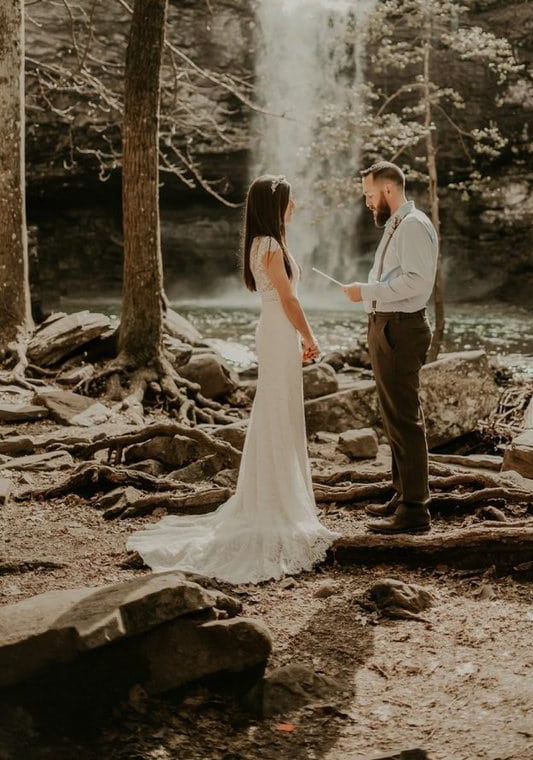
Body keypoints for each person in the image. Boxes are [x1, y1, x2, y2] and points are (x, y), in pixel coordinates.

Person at [127, 174, 340, 583]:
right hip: (280, 332)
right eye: (290, 202)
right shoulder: (273, 246)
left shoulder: (259, 244)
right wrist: (310, 337)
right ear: (276, 206)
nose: (295, 208)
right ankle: (278, 504)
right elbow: (290, 299)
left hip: (273, 329)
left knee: (274, 410)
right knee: (278, 411)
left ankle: (274, 496)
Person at [342, 161, 438, 535]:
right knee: (394, 415)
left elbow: (417, 282)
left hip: (401, 329)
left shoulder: (412, 226)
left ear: (387, 190)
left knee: (405, 420)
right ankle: (402, 496)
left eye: (369, 194)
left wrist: (365, 293)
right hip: (387, 327)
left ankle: (415, 510)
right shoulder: (397, 224)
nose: (367, 203)